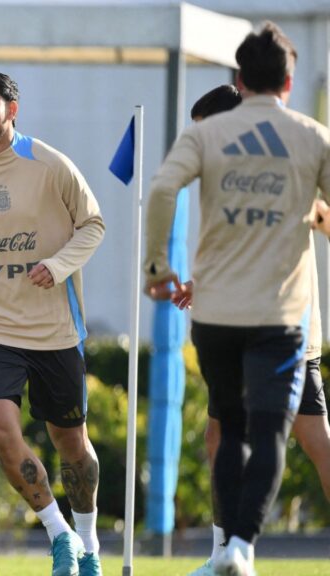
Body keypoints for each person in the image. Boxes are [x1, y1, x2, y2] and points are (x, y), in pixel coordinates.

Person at [144, 22, 330, 576]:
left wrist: (158, 269)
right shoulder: (307, 137)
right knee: (232, 431)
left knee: (299, 439)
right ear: (289, 81)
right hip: (259, 314)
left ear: (240, 84)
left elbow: (160, 190)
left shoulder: (226, 143)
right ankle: (230, 549)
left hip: (275, 320)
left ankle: (234, 549)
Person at [0, 71, 106, 576]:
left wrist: (57, 266)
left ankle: (91, 545)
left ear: (12, 109)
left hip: (55, 330)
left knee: (71, 444)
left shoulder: (51, 165)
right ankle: (60, 535)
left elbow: (93, 224)